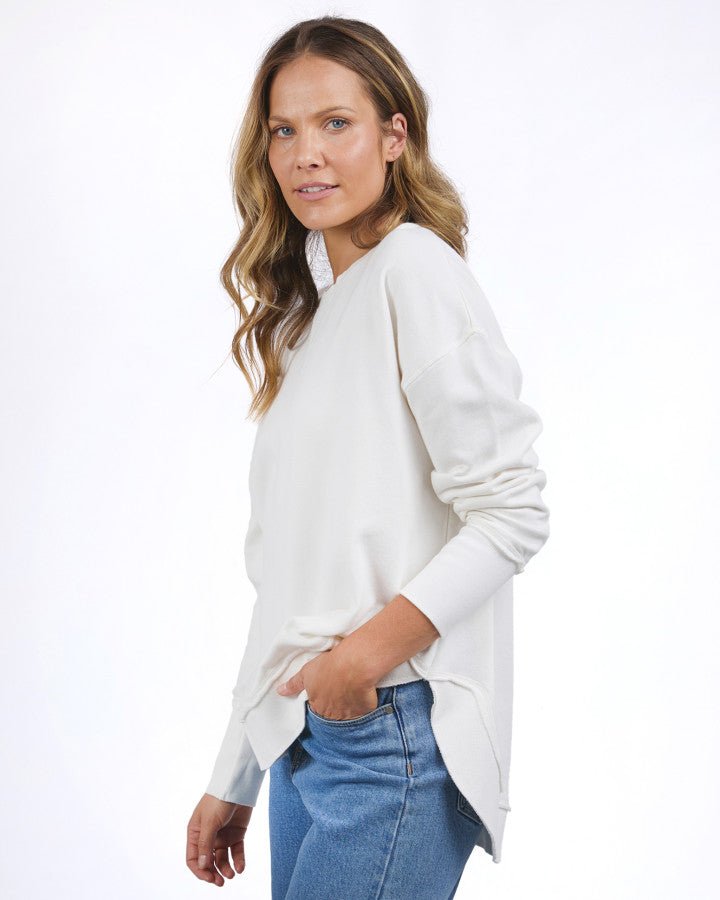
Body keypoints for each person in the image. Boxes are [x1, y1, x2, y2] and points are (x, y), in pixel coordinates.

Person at [186, 15, 550, 899]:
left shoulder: (413, 270)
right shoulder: (310, 324)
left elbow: (510, 510)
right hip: (303, 735)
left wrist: (357, 664)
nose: (305, 154)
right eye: (284, 130)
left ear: (395, 136)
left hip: (390, 731)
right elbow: (289, 583)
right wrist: (238, 770)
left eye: (335, 123)